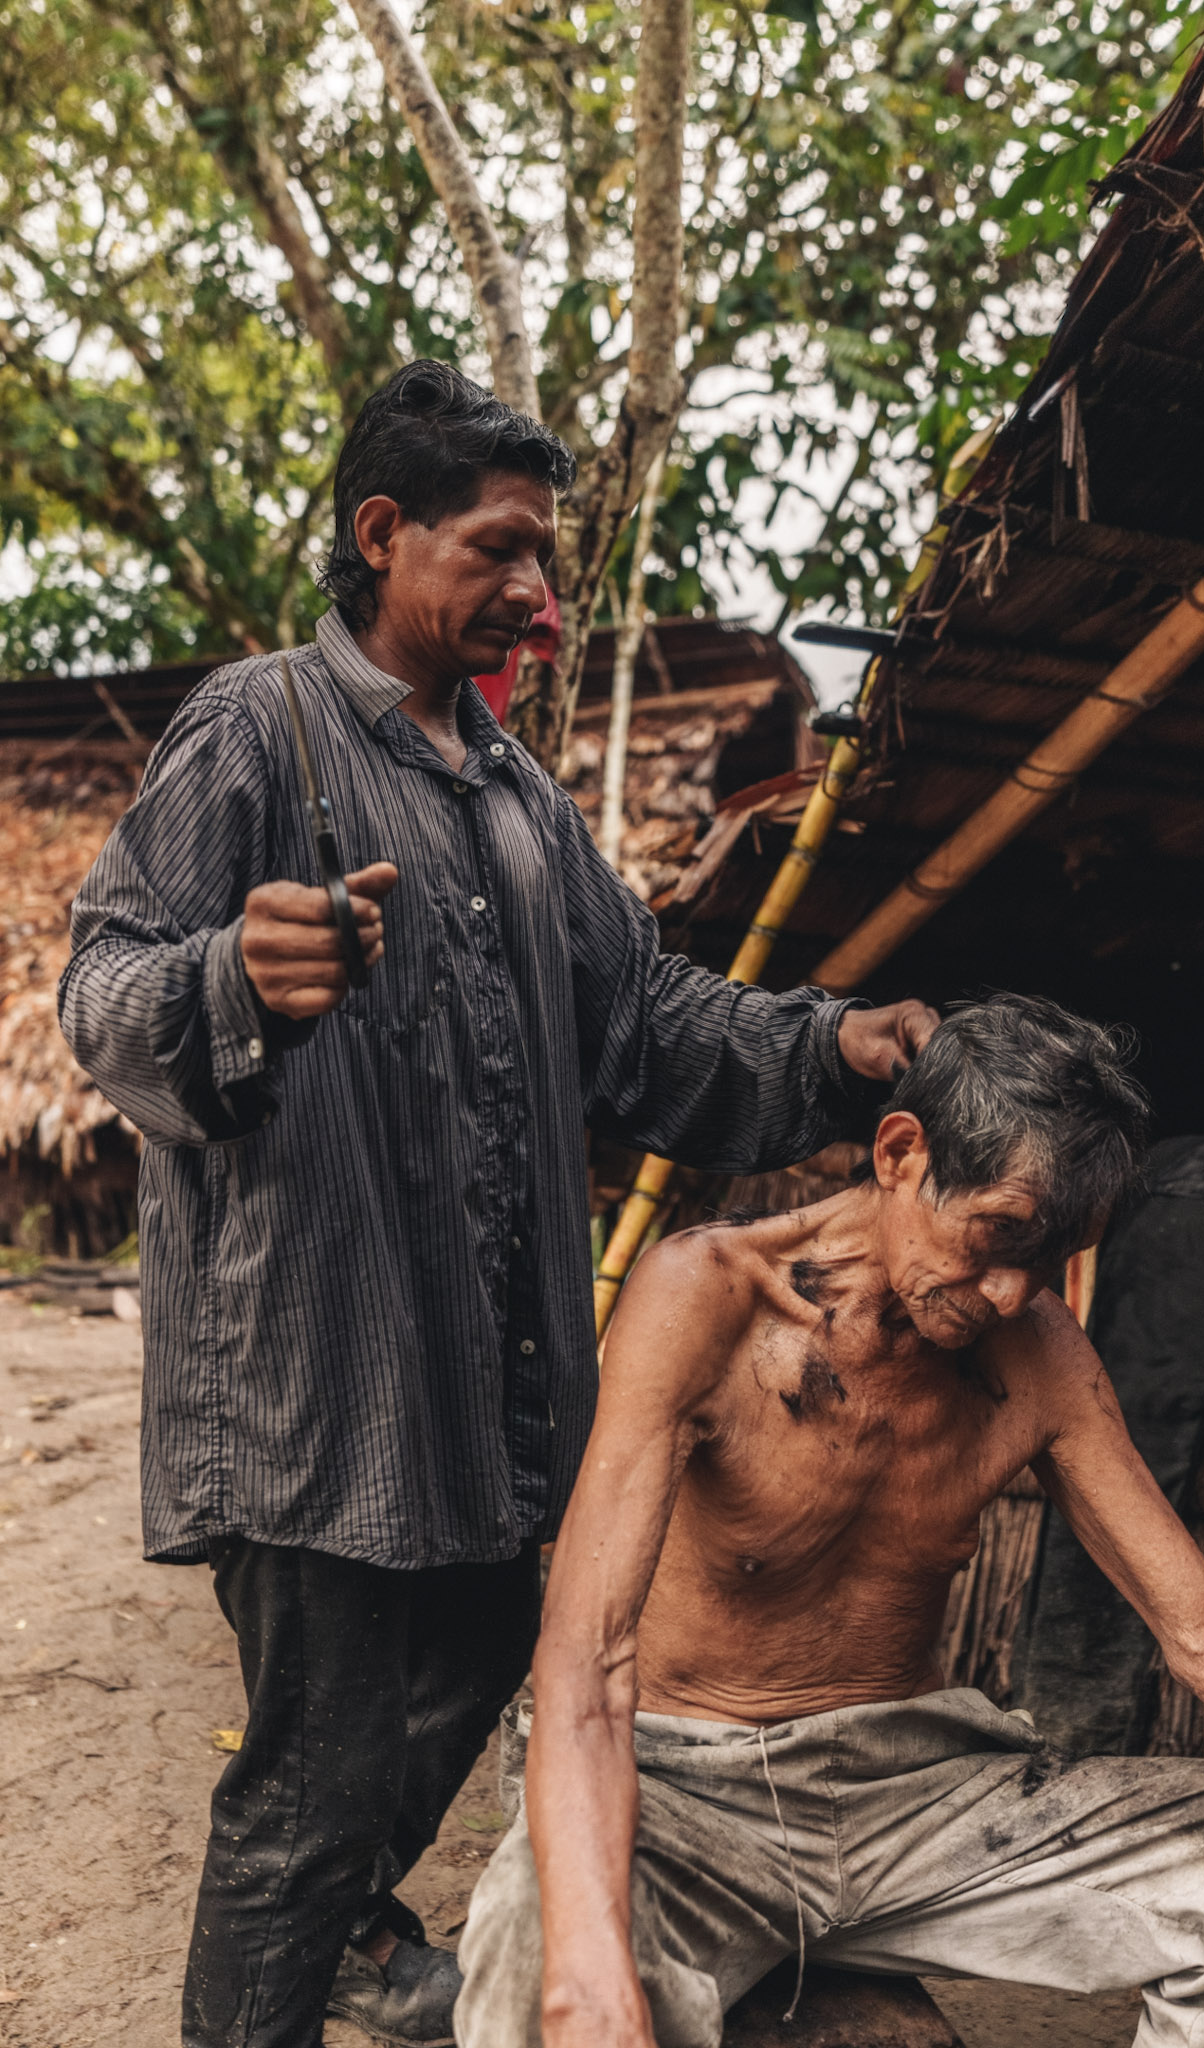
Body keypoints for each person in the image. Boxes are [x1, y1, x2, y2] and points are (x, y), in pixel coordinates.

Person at [57, 359, 936, 2048]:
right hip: (315, 1389)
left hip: (495, 1390)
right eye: (506, 548)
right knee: (307, 1790)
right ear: (382, 534)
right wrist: (231, 971)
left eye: (548, 555)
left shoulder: (519, 797)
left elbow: (652, 1025)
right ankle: (289, 1967)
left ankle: (333, 1938)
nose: (540, 589)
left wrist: (840, 1048)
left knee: (467, 1678)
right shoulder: (259, 728)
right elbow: (101, 994)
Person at [457, 994, 1204, 2048]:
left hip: (917, 1794)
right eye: (998, 1235)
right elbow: (587, 1654)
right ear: (900, 1150)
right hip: (683, 1793)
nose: (1014, 1288)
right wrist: (587, 1970)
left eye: (1057, 1252)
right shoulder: (706, 1295)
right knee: (536, 1959)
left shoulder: (1037, 1352)